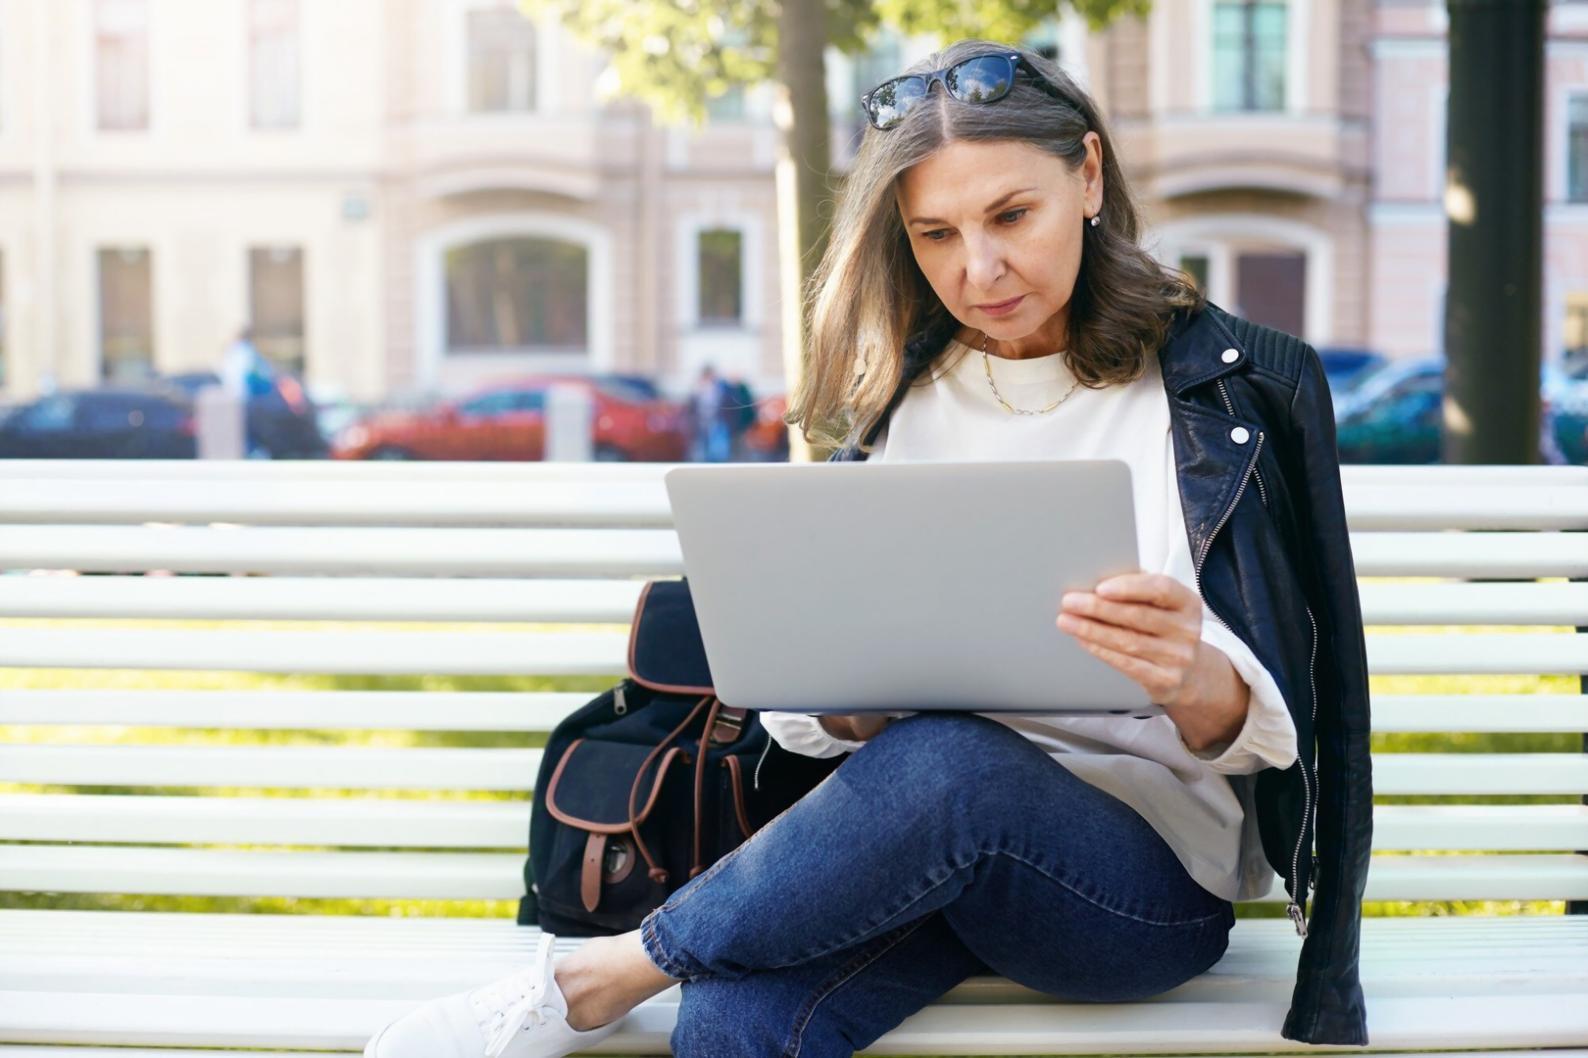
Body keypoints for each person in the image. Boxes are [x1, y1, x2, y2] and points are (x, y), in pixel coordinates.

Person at [363, 40, 1371, 1058]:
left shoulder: (1235, 388)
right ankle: (634, 971)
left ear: (1090, 177)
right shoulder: (901, 400)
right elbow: (823, 723)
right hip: (906, 853)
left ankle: (599, 975)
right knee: (736, 1015)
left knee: (952, 765)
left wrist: (1200, 679)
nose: (977, 268)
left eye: (1011, 215)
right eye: (935, 232)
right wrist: (846, 688)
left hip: (1137, 888)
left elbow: (1309, 710)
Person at [687, 364, 733, 462]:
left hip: (715, 420)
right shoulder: (697, 388)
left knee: (716, 447)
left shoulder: (719, 387)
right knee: (700, 445)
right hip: (700, 421)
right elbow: (692, 406)